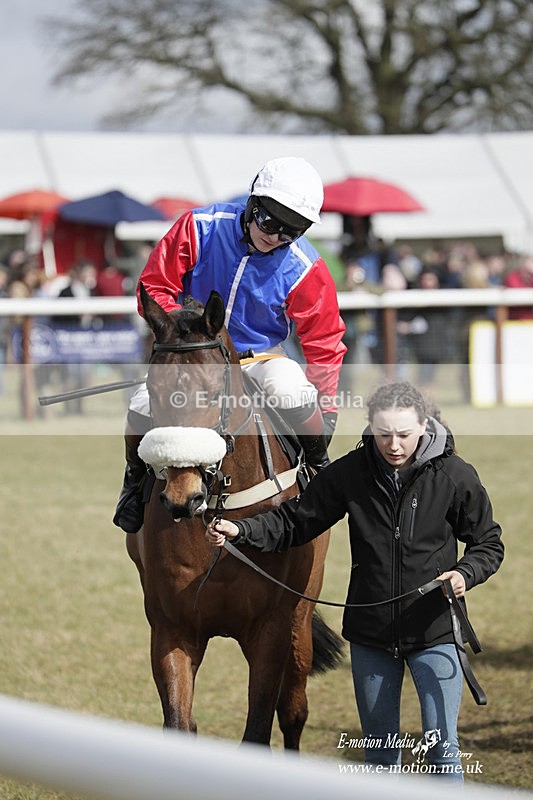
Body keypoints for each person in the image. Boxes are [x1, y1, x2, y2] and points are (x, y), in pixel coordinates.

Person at [206, 381, 504, 781]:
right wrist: (241, 530)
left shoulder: (454, 474)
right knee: (379, 757)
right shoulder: (351, 472)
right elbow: (295, 521)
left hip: (434, 631)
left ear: (424, 425)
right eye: (384, 434)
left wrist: (466, 573)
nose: (394, 445)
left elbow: (488, 543)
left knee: (441, 751)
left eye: (404, 434)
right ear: (370, 427)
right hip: (371, 636)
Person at [113, 156, 347, 533]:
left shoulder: (306, 265)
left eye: (291, 232)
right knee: (141, 405)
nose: (275, 237)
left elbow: (324, 339)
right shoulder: (198, 227)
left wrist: (328, 406)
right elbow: (153, 287)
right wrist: (183, 328)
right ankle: (133, 482)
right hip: (195, 355)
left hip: (261, 358)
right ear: (253, 204)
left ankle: (318, 471)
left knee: (291, 392)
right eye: (269, 222)